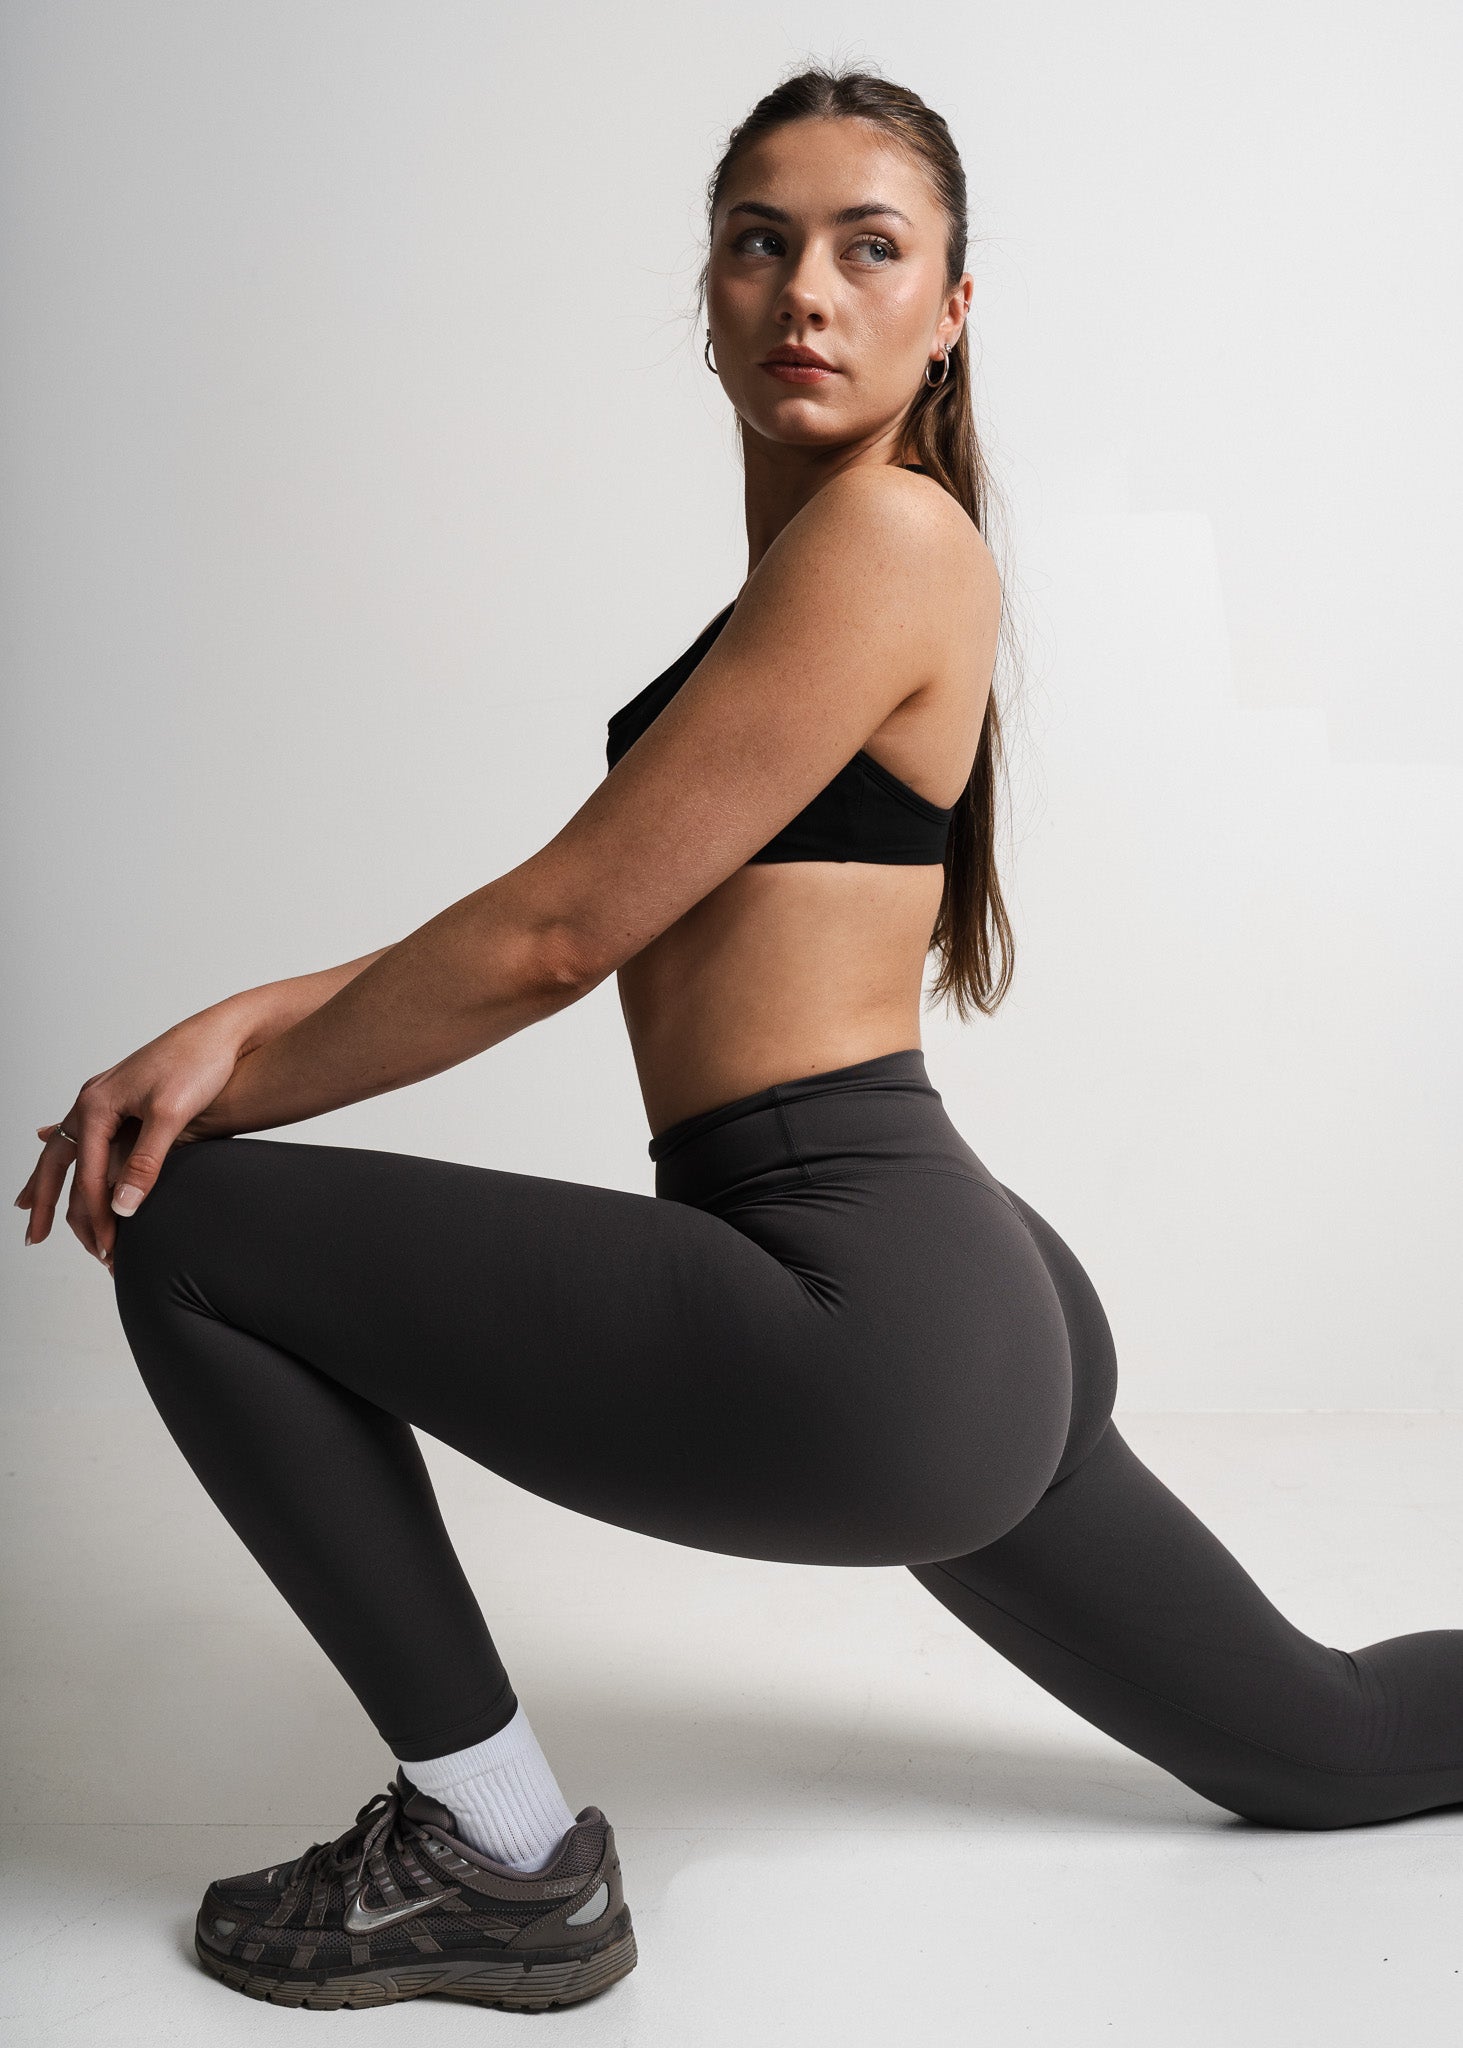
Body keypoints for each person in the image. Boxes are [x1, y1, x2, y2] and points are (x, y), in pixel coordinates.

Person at [15, 63, 1463, 2018]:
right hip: (952, 1299)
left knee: (194, 1232)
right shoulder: (835, 570)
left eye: (873, 247)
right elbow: (565, 896)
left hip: (863, 1311)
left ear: (954, 305)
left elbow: (553, 934)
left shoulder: (885, 542)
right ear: (703, 289)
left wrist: (218, 1074)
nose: (807, 289)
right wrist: (239, 1026)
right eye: (759, 241)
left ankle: (497, 1850)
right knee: (1334, 1740)